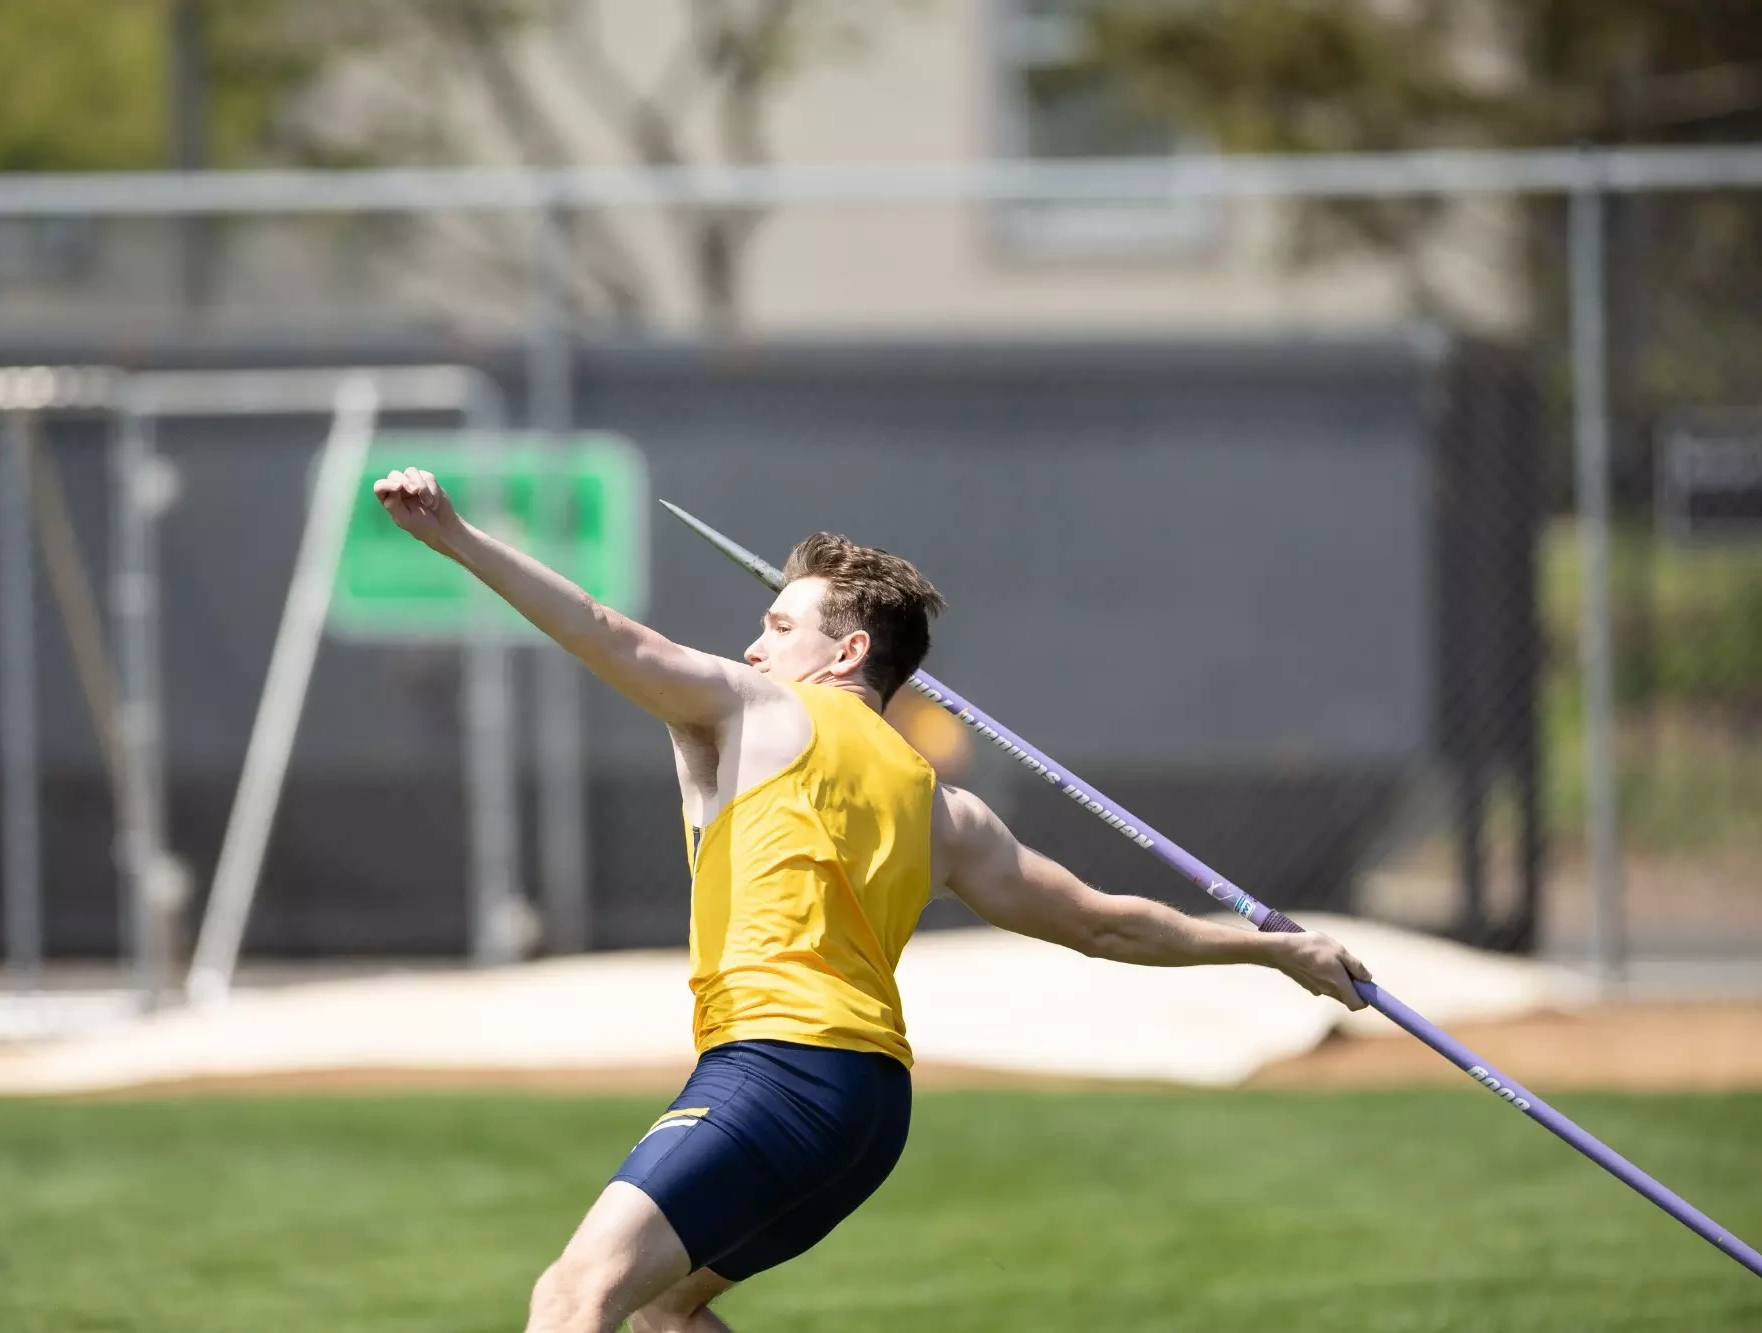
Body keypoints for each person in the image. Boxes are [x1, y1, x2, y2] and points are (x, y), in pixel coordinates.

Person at [374, 467, 1373, 1333]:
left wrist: (456, 538)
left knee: (570, 1296)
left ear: (845, 653)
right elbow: (1101, 921)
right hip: (869, 1112)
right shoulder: (946, 811)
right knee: (663, 1307)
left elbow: (600, 630)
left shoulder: (764, 709)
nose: (753, 646)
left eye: (776, 624)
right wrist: (1275, 952)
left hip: (773, 1070)